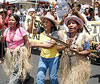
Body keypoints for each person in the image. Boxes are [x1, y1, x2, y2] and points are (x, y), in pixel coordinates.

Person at [58, 16, 92, 84]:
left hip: (78, 64)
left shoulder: (83, 36)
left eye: (73, 23)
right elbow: (58, 48)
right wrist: (65, 45)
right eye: (69, 23)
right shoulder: (64, 35)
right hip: (66, 64)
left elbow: (88, 51)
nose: (71, 25)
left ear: (78, 26)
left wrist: (78, 52)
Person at [1, 14, 32, 84]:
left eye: (13, 20)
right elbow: (3, 42)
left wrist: (29, 51)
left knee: (16, 70)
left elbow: (27, 41)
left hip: (19, 52)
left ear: (17, 21)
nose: (11, 22)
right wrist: (2, 39)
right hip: (10, 53)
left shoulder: (21, 30)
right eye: (10, 20)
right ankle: (26, 76)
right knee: (14, 68)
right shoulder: (6, 30)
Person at [31, 14, 61, 84]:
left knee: (52, 78)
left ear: (51, 24)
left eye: (47, 22)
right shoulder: (41, 30)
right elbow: (30, 30)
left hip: (53, 58)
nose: (44, 24)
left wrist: (36, 44)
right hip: (43, 58)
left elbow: (50, 45)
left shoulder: (55, 33)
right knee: (39, 76)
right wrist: (32, 20)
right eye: (43, 22)